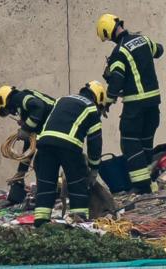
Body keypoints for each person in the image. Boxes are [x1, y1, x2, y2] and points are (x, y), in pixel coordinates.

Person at [96, 13, 164, 194]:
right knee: (145, 141)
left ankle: (142, 186)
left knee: (130, 141)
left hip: (135, 105)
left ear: (107, 31)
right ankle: (151, 181)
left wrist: (107, 101)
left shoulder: (119, 52)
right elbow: (159, 50)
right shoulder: (143, 39)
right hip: (153, 104)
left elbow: (117, 80)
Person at [33, 81, 105, 227]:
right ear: (98, 98)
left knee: (46, 184)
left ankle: (40, 222)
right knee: (77, 183)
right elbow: (95, 142)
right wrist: (94, 168)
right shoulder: (91, 109)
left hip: (45, 143)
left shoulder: (62, 99)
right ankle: (79, 222)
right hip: (69, 145)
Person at [0, 86, 55, 203]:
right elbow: (29, 144)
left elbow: (39, 106)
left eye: (6, 110)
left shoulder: (18, 98)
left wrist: (26, 128)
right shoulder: (26, 112)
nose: (11, 112)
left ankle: (45, 197)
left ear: (5, 100)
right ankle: (44, 195)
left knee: (41, 162)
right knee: (41, 162)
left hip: (57, 125)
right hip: (54, 128)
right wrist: (22, 171)